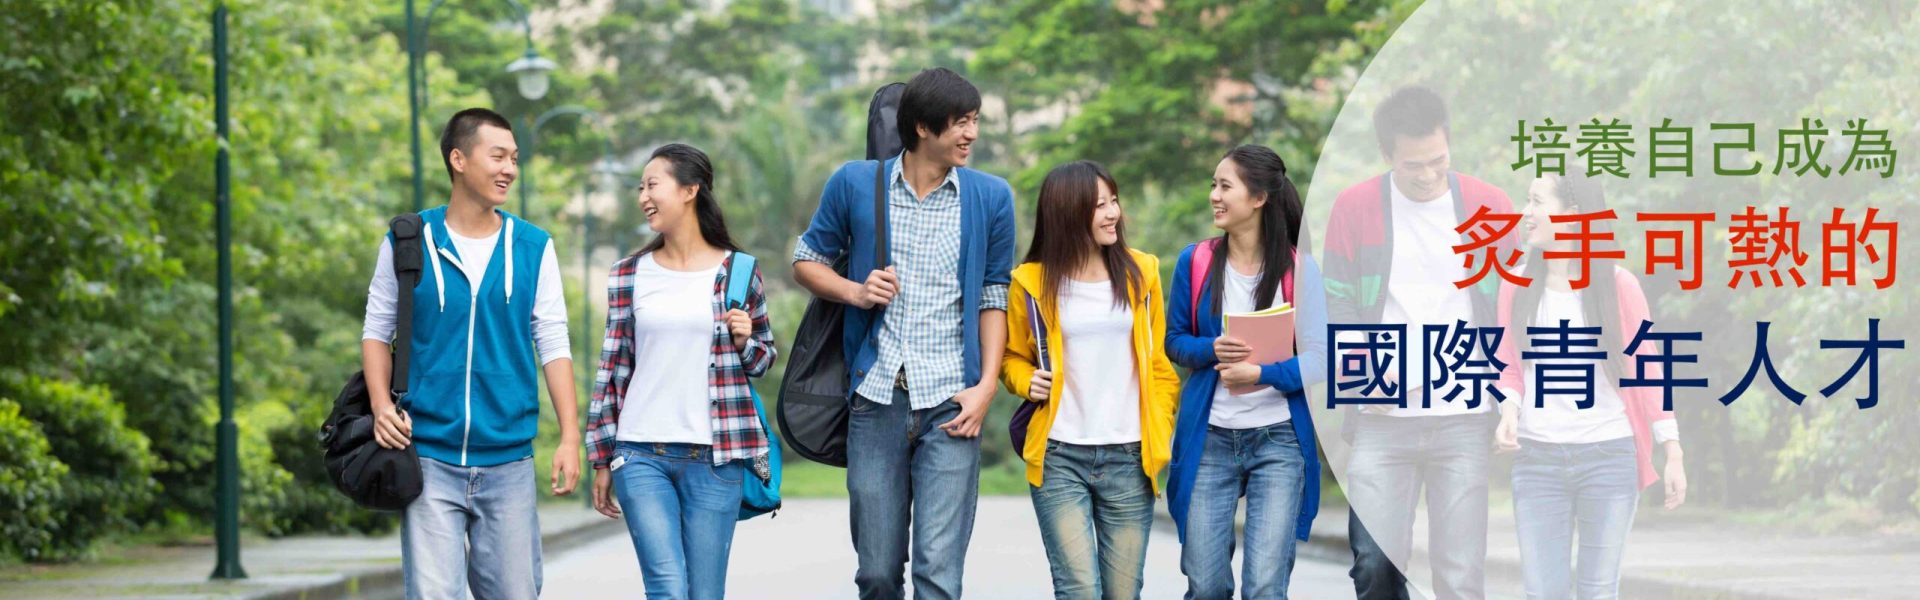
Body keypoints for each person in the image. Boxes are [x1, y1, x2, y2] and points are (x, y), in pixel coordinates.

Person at [791, 66, 1017, 600]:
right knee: (876, 572)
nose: (971, 135)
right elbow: (806, 261)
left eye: (975, 121)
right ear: (921, 127)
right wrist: (855, 291)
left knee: (939, 574)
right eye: (960, 123)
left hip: (952, 402)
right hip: (876, 399)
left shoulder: (991, 197)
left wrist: (986, 387)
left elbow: (993, 297)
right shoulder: (855, 183)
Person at [360, 107, 580, 599]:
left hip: (509, 461)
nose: (510, 169)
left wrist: (570, 436)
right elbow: (376, 331)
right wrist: (379, 406)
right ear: (458, 159)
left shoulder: (533, 246)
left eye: (515, 158)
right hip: (428, 455)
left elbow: (553, 341)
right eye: (497, 156)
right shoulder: (408, 240)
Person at [1323, 86, 1514, 599]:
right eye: (1414, 166)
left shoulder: (1489, 206)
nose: (1429, 176)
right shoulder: (1355, 207)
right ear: (1387, 156)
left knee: (1460, 571)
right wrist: (1364, 381)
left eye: (1438, 161)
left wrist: (1511, 397)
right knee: (1375, 566)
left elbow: (1515, 307)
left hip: (1464, 418)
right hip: (1382, 422)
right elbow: (1337, 300)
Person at [584, 143, 777, 600]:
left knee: (704, 594)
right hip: (639, 453)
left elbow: (764, 361)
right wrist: (602, 456)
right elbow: (613, 367)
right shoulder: (628, 274)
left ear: (690, 189)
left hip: (716, 458)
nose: (643, 196)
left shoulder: (740, 271)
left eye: (652, 185)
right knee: (667, 589)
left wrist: (744, 340)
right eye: (640, 187)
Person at [1492, 170, 1687, 600]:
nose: (1526, 213)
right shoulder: (1516, 282)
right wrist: (1508, 412)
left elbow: (1649, 369)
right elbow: (1508, 362)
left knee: (1598, 590)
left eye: (1538, 202)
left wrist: (1671, 449)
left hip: (1609, 457)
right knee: (1543, 592)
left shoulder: (1619, 286)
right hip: (1537, 458)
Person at [1001, 160, 1180, 600]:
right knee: (1078, 590)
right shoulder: (1031, 283)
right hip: (1060, 455)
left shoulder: (1143, 273)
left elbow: (1158, 364)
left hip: (1129, 456)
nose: (1113, 212)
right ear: (1067, 212)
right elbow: (1011, 357)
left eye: (1113, 200)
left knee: (1123, 594)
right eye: (1099, 204)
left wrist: (1159, 424)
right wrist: (1026, 381)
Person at [1166, 144, 1327, 599]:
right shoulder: (1194, 262)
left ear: (1258, 199)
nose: (1214, 196)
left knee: (1264, 586)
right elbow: (1174, 340)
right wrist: (1211, 348)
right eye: (1213, 185)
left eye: (1225, 186)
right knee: (1206, 583)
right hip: (1210, 438)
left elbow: (1320, 357)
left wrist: (1263, 374)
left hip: (1278, 439)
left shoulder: (1300, 270)